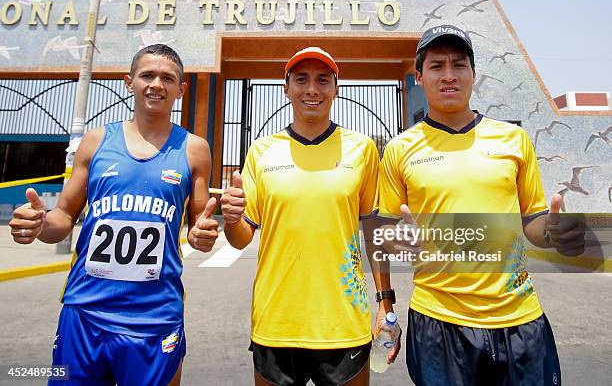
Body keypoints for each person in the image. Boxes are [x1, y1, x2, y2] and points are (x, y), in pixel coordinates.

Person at [375, 25, 585, 385]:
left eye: (459, 65)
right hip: (438, 322)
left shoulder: (513, 139)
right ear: (419, 77)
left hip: (518, 319)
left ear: (474, 73)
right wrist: (388, 288)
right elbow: (384, 234)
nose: (449, 75)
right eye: (437, 66)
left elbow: (532, 221)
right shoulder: (399, 149)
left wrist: (552, 232)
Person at [9, 44, 219, 386]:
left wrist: (202, 236)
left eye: (168, 78)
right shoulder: (96, 141)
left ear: (181, 89)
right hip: (85, 312)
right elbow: (63, 216)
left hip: (155, 316)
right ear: (128, 82)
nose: (156, 84)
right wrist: (39, 224)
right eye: (147, 75)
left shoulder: (194, 149)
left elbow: (199, 226)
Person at [220, 47, 380, 385]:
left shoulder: (362, 149)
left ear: (336, 89)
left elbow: (373, 231)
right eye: (301, 79)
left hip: (344, 321)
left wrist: (386, 303)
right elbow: (241, 238)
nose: (312, 89)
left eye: (323, 80)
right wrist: (232, 218)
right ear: (286, 88)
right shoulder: (262, 151)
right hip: (276, 320)